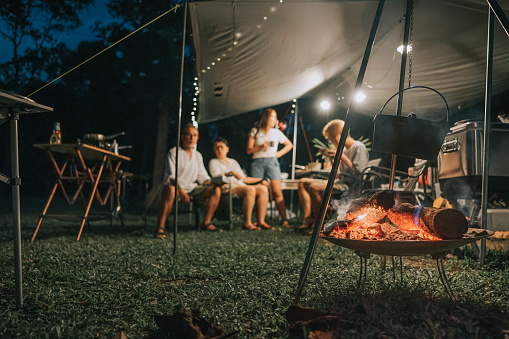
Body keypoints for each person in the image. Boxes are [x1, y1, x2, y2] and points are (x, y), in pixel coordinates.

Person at [298, 119, 369, 232]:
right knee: (302, 182)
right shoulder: (344, 149)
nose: (332, 141)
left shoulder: (358, 147)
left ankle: (318, 224)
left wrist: (342, 156)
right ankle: (308, 219)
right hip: (340, 181)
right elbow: (338, 174)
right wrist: (333, 159)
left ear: (342, 133)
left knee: (314, 188)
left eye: (333, 137)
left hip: (350, 185)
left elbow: (359, 173)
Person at [155, 124, 222, 238]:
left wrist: (212, 183)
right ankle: (160, 227)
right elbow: (172, 176)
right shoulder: (174, 152)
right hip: (175, 187)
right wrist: (180, 191)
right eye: (189, 135)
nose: (192, 138)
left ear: (197, 138)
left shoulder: (198, 156)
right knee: (170, 189)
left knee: (216, 190)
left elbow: (202, 176)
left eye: (195, 135)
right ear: (182, 137)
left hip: (192, 188)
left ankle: (206, 223)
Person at [209, 137, 273, 230]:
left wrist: (260, 180)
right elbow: (217, 177)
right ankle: (247, 223)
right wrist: (231, 173)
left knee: (263, 189)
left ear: (227, 149)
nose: (219, 149)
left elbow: (243, 179)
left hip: (240, 185)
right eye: (216, 148)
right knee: (250, 189)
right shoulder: (213, 162)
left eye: (221, 147)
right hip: (226, 186)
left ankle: (261, 221)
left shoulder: (233, 162)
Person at [247, 108, 293, 228]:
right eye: (273, 117)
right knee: (258, 190)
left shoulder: (276, 132)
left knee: (277, 191)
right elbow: (249, 150)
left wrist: (278, 154)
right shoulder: (255, 131)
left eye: (275, 117)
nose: (275, 119)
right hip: (257, 161)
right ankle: (259, 221)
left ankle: (285, 220)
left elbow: (289, 145)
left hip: (272, 161)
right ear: (266, 118)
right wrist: (261, 147)